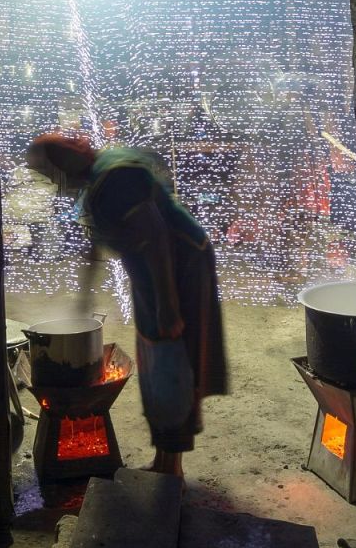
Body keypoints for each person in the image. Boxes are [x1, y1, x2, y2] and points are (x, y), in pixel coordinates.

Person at [26, 131, 229, 477]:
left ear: (65, 166)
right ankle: (163, 460)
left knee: (171, 358)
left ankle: (172, 468)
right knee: (154, 355)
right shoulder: (94, 184)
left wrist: (167, 305)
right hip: (151, 273)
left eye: (50, 174)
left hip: (180, 270)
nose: (53, 184)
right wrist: (82, 300)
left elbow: (157, 239)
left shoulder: (116, 178)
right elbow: (93, 246)